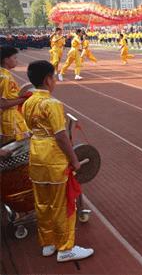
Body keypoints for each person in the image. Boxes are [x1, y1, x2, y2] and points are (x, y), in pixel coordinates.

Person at [22, 60, 94, 262]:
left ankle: (48, 243)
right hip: (53, 157)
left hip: (36, 155)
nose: (55, 81)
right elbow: (61, 136)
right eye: (53, 77)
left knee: (42, 203)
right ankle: (65, 248)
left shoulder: (27, 102)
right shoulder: (52, 104)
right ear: (47, 79)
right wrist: (75, 160)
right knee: (62, 204)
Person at [0, 46, 30, 143]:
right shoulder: (4, 77)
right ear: (6, 60)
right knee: (15, 147)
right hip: (9, 119)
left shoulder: (5, 74)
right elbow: (2, 104)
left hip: (11, 116)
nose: (16, 61)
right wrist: (25, 98)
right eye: (14, 58)